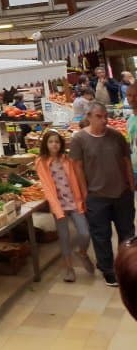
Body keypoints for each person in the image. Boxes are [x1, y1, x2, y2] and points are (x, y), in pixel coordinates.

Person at [70, 102, 136, 287]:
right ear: (89, 116)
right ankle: (108, 269)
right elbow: (77, 167)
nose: (104, 120)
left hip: (122, 194)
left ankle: (129, 266)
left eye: (105, 116)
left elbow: (126, 162)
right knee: (101, 235)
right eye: (99, 116)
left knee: (128, 234)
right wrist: (84, 193)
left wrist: (131, 187)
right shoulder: (79, 140)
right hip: (97, 196)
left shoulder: (116, 136)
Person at [34, 129, 93, 282]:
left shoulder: (68, 160)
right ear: (46, 144)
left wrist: (84, 195)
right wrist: (55, 205)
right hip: (58, 205)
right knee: (64, 237)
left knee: (85, 233)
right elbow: (47, 186)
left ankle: (82, 253)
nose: (54, 145)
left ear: (61, 144)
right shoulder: (41, 162)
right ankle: (69, 269)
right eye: (51, 142)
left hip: (74, 202)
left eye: (57, 142)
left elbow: (78, 178)